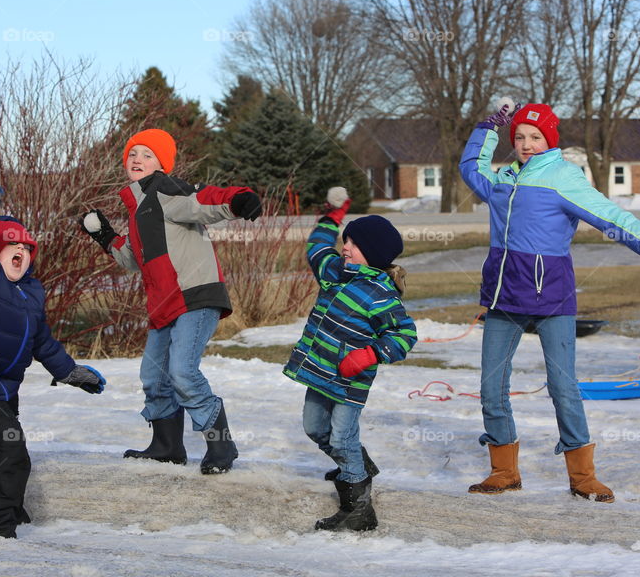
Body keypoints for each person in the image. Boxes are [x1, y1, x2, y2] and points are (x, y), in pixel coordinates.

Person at [459, 103, 640, 504]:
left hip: (551, 297)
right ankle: (504, 471)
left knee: (563, 387)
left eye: (535, 137)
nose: (526, 144)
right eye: (519, 137)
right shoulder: (502, 178)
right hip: (504, 298)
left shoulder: (562, 177)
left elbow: (605, 212)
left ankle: (583, 477)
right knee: (492, 387)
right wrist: (487, 129)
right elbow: (471, 168)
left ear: (550, 140)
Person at [79, 128, 261, 474]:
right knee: (154, 376)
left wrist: (238, 199)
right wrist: (103, 235)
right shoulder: (139, 208)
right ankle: (167, 446)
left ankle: (222, 445)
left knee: (182, 372)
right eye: (133, 154)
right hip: (164, 304)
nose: (138, 160)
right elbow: (134, 258)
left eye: (148, 155)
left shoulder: (165, 189)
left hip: (194, 295)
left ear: (161, 165)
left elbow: (203, 200)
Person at [0, 186, 107, 538]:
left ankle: (7, 504)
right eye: (10, 246)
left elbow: (42, 341)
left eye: (26, 248)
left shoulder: (32, 293)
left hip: (5, 386)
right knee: (13, 447)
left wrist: (71, 372)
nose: (20, 251)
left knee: (2, 445)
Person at [283, 189, 418, 531]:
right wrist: (331, 218)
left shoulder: (381, 295)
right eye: (346, 241)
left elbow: (404, 335)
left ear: (371, 254)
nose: (345, 247)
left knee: (342, 437)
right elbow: (316, 248)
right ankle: (357, 464)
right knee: (314, 428)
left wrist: (370, 354)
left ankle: (359, 510)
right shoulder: (335, 272)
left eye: (353, 245)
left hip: (349, 382)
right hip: (320, 374)